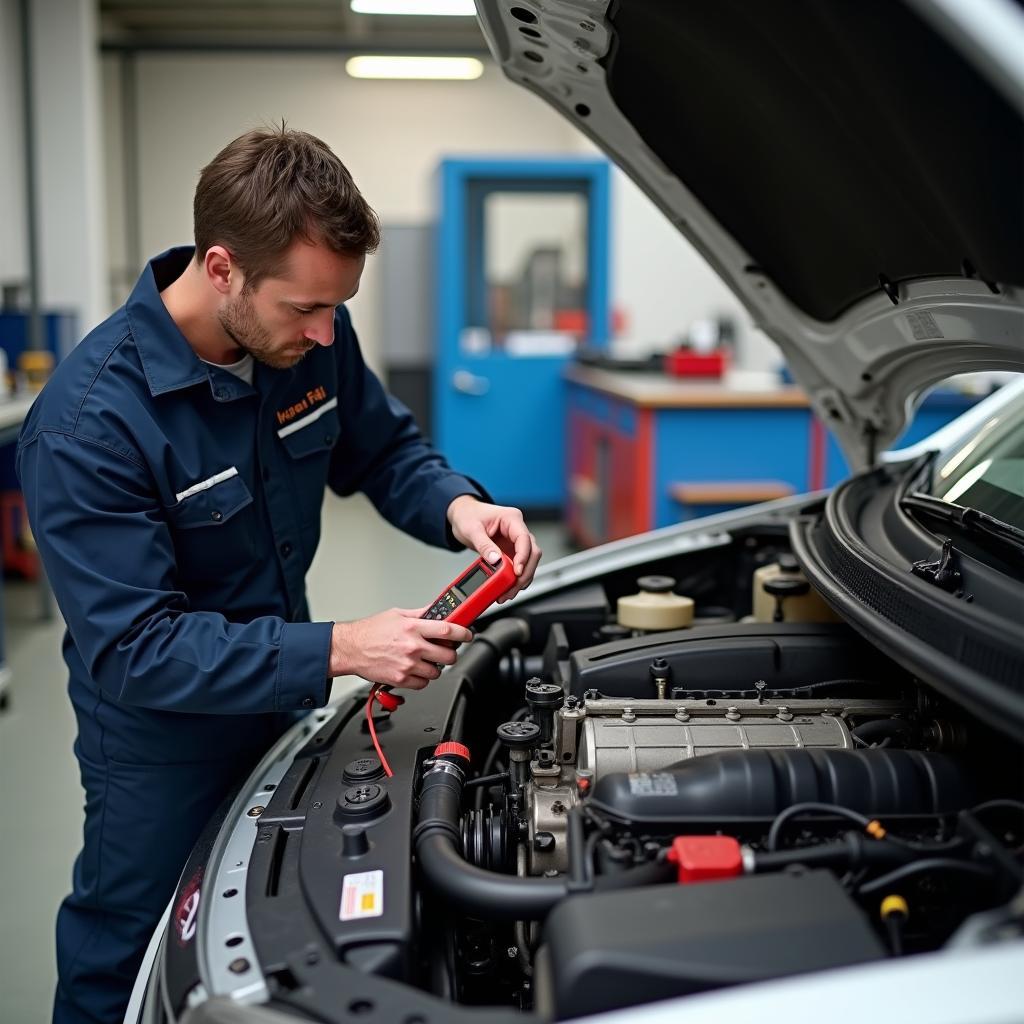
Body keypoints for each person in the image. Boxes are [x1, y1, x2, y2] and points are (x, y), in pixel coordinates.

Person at [16, 125, 542, 1024]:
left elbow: (384, 454)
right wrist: (341, 646)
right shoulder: (88, 426)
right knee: (130, 944)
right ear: (222, 269)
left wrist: (458, 505)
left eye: (337, 308)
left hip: (284, 698)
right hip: (162, 744)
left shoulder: (307, 338)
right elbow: (138, 648)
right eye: (306, 308)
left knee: (276, 919)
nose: (326, 331)